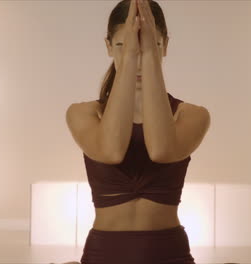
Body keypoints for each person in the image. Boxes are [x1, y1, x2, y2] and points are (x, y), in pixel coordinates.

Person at [64, 0, 210, 263]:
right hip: (104, 254)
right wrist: (131, 56)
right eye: (122, 45)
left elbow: (161, 150)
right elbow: (111, 151)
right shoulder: (83, 113)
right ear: (108, 46)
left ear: (164, 45)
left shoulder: (193, 115)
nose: (139, 56)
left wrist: (148, 54)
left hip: (170, 255)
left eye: (151, 45)